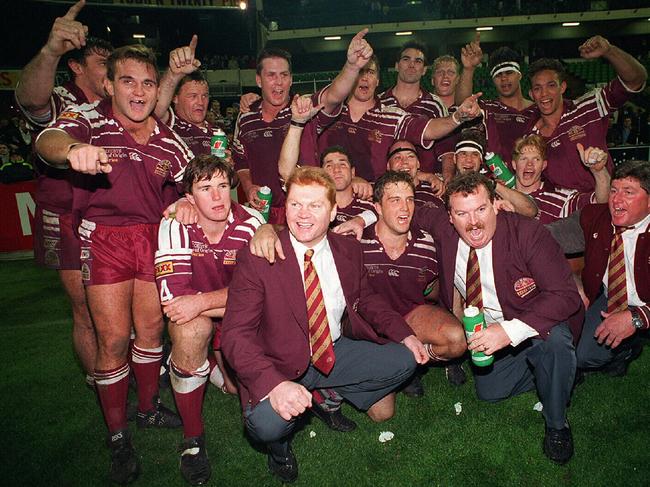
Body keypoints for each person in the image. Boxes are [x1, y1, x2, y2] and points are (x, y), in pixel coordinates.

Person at [35, 45, 192, 485]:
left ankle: (146, 409)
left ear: (156, 87)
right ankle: (118, 435)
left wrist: (190, 203)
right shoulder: (90, 120)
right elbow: (46, 141)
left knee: (150, 333)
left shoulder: (167, 137)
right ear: (109, 84)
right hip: (104, 240)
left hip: (153, 240)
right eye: (128, 80)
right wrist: (72, 150)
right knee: (112, 340)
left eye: (147, 82)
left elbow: (192, 183)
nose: (138, 91)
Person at [221, 167, 427, 483]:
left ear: (332, 211)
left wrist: (405, 334)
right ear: (285, 206)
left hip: (332, 350)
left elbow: (367, 299)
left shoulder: (348, 249)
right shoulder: (260, 256)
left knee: (404, 360)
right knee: (267, 425)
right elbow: (235, 336)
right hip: (277, 362)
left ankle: (325, 394)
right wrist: (274, 384)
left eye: (315, 205)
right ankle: (280, 451)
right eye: (295, 204)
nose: (303, 215)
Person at [14, 0, 112, 386]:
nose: (111, 71)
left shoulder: (113, 104)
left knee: (120, 308)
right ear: (77, 66)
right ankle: (100, 384)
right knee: (85, 309)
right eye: (103, 63)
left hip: (110, 218)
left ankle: (122, 374)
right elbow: (31, 100)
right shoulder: (62, 99)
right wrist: (52, 49)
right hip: (68, 216)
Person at [155, 156, 261, 485]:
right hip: (204, 316)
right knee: (189, 330)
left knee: (232, 388)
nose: (217, 197)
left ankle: (210, 365)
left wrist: (201, 301)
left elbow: (259, 296)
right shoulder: (174, 222)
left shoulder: (253, 222)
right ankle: (193, 438)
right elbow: (174, 304)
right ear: (189, 197)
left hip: (231, 312)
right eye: (205, 188)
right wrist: (201, 307)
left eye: (222, 186)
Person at [232, 29, 375, 223]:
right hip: (262, 214)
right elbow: (241, 162)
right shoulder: (246, 117)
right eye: (271, 75)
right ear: (259, 80)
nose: (279, 82)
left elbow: (333, 95)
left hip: (305, 213)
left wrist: (351, 66)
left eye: (284, 75)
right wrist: (249, 187)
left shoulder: (304, 109)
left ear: (291, 79)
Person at [361, 171, 466, 396]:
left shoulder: (427, 244)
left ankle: (411, 362)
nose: (405, 207)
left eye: (409, 199)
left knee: (456, 340)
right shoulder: (358, 242)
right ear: (377, 208)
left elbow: (432, 292)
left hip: (410, 318)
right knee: (381, 414)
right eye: (395, 200)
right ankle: (396, 364)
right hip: (368, 327)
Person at [317, 54, 482, 184]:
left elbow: (430, 129)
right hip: (328, 195)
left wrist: (458, 116)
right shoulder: (327, 111)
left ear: (378, 81)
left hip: (378, 200)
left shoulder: (392, 116)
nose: (365, 78)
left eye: (371, 72)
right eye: (360, 72)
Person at [527, 35, 647, 192]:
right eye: (537, 88)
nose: (544, 94)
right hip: (567, 211)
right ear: (531, 94)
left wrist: (609, 51)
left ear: (562, 87)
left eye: (551, 85)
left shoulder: (589, 107)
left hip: (607, 204)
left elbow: (636, 79)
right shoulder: (531, 137)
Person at [576, 160, 649, 376]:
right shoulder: (596, 217)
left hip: (645, 305)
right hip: (610, 298)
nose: (616, 200)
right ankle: (626, 349)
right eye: (614, 190)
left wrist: (637, 317)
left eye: (628, 192)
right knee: (582, 354)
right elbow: (551, 236)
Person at [455, 36, 537, 165]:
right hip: (499, 181)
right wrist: (468, 69)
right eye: (498, 75)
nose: (504, 78)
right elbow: (462, 103)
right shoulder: (488, 109)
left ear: (519, 75)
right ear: (493, 80)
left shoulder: (538, 110)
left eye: (509, 72)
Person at [379, 41, 448, 173]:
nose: (411, 65)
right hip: (387, 182)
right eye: (406, 59)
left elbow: (446, 150)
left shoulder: (435, 105)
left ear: (424, 70)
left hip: (426, 184)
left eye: (418, 61)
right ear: (397, 66)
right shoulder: (380, 103)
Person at [511, 134, 610, 224]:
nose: (529, 164)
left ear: (543, 165)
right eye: (524, 159)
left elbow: (600, 202)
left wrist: (599, 171)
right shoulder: (500, 196)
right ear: (514, 164)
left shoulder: (561, 201)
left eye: (536, 159)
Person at [453, 129, 538, 218]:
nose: (469, 160)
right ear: (455, 158)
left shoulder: (492, 186)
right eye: (463, 154)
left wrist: (494, 185)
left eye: (475, 154)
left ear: (481, 161)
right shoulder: (443, 187)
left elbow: (530, 211)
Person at [429, 55, 472, 182]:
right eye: (440, 72)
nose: (445, 76)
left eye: (451, 72)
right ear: (432, 80)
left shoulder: (470, 112)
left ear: (458, 79)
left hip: (463, 180)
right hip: (429, 181)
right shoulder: (423, 109)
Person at [386, 139, 445, 209]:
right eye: (398, 157)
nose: (405, 162)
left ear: (418, 164)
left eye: (410, 156)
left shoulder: (437, 192)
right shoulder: (380, 194)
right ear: (388, 166)